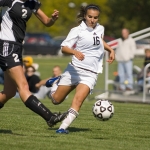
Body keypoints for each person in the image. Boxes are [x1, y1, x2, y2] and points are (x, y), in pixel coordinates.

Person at [46, 4, 115, 133]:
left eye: (95, 17)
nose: (92, 20)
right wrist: (74, 52)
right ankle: (56, 82)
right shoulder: (77, 30)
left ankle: (62, 128)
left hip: (90, 74)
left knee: (78, 100)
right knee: (55, 100)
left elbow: (99, 40)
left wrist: (110, 49)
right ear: (85, 16)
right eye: (90, 17)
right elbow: (64, 47)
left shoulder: (100, 28)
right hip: (74, 70)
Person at [0, 0, 67, 128]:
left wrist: (53, 19)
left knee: (9, 92)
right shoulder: (9, 1)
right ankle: (50, 117)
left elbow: (47, 22)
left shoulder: (32, 3)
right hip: (7, 46)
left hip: (17, 48)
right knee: (24, 87)